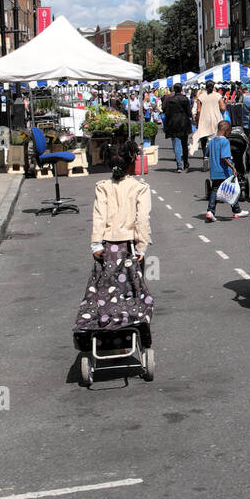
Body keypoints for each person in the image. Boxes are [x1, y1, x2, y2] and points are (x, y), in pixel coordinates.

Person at [75, 138, 154, 347]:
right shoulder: (140, 188)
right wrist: (142, 246)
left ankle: (106, 327)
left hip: (108, 248)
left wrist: (95, 244)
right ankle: (132, 326)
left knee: (106, 291)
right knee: (134, 290)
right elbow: (142, 219)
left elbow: (99, 216)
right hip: (130, 247)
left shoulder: (103, 187)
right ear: (132, 161)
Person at [205, 120, 248, 222]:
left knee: (215, 190)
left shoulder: (211, 141)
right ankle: (236, 211)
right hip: (224, 171)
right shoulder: (225, 141)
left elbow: (207, 153)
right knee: (231, 190)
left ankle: (211, 211)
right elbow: (225, 157)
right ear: (226, 131)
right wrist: (232, 167)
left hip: (214, 170)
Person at [193, 80, 224, 170]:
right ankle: (215, 161)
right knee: (216, 140)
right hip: (216, 120)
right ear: (214, 86)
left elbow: (198, 110)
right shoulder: (218, 96)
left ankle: (205, 156)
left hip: (204, 120)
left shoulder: (201, 97)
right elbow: (223, 107)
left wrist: (198, 120)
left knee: (204, 139)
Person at [163, 85, 193, 172]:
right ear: (181, 89)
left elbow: (166, 113)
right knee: (184, 144)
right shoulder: (185, 99)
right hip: (184, 123)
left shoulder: (169, 100)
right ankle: (186, 163)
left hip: (173, 124)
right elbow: (189, 113)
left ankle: (179, 166)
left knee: (176, 144)